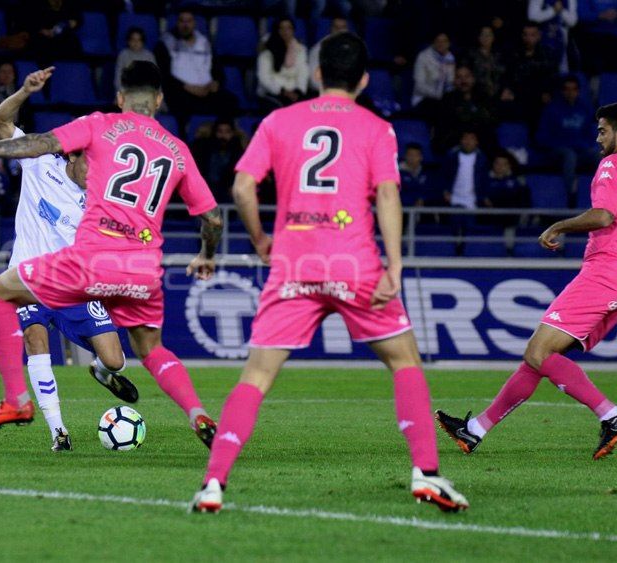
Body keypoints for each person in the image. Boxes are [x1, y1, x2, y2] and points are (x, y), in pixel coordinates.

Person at [190, 32, 468, 514]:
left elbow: (242, 187)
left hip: (294, 264)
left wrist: (259, 239)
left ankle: (213, 484)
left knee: (256, 375)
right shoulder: (377, 128)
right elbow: (387, 194)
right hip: (355, 263)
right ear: (364, 80)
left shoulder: (279, 120)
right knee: (405, 363)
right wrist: (395, 263)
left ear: (317, 74)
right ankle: (426, 473)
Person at [0, 61, 224, 448]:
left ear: (120, 97)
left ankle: (17, 400)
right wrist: (207, 254)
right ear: (159, 99)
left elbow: (39, 141)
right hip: (139, 268)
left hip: (82, 269)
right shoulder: (177, 149)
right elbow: (214, 218)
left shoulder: (100, 127)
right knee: (151, 349)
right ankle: (195, 412)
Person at [436, 102, 617, 460]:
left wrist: (558, 226)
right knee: (539, 359)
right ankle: (474, 430)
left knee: (537, 352)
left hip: (605, 272)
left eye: (602, 131)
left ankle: (610, 415)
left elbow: (603, 216)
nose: (597, 138)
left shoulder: (613, 164)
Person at [0, 67, 138, 451]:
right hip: (26, 278)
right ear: (74, 154)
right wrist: (25, 91)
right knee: (36, 339)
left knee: (114, 359)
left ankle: (101, 372)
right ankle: (58, 431)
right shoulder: (39, 162)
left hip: (72, 285)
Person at [155, 10, 237, 119]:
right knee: (180, 104)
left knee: (230, 101)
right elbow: (164, 74)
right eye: (182, 21)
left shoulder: (205, 43)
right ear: (177, 23)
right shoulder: (166, 43)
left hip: (207, 91)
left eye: (189, 21)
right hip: (182, 91)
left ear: (194, 23)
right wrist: (187, 87)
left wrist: (216, 82)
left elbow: (217, 68)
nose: (185, 25)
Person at [537, 75, 598, 195]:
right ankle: (571, 193)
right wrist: (561, 145)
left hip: (580, 150)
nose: (570, 92)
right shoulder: (551, 109)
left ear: (578, 91)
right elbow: (542, 137)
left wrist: (585, 145)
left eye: (574, 89)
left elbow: (589, 134)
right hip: (557, 152)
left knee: (597, 155)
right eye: (567, 89)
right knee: (569, 155)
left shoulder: (584, 109)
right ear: (562, 91)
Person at [256, 18, 308, 110]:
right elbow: (264, 78)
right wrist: (282, 91)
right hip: (272, 93)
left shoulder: (300, 49)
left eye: (289, 28)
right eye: (281, 28)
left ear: (293, 30)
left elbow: (303, 72)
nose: (285, 31)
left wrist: (299, 91)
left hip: (294, 91)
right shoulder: (267, 51)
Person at [193, 117, 247, 203]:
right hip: (205, 192)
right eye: (220, 131)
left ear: (233, 133)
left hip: (228, 195)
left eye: (227, 132)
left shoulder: (238, 152)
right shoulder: (204, 149)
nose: (223, 136)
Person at [528, 0, 578, 72]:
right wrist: (553, 10)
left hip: (561, 44)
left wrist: (561, 10)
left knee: (561, 73)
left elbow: (572, 22)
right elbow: (532, 16)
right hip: (540, 44)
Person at [411, 32, 455, 112]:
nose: (441, 44)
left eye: (444, 41)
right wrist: (438, 95)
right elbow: (419, 86)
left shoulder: (451, 57)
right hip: (424, 99)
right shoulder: (423, 57)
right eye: (438, 41)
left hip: (446, 99)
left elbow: (451, 82)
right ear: (433, 43)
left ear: (449, 44)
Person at [307, 17, 349, 92]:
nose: (340, 31)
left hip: (347, 93)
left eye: (343, 27)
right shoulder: (317, 49)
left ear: (347, 30)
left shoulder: (353, 49)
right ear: (331, 29)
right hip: (323, 92)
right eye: (336, 27)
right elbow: (314, 80)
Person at [114, 27, 157, 95]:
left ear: (143, 42)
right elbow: (118, 78)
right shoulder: (123, 55)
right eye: (133, 40)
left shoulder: (149, 56)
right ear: (128, 41)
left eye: (139, 40)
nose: (136, 43)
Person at [399, 143, 432, 207]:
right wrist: (412, 202)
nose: (412, 158)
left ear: (421, 157)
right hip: (403, 209)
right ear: (405, 156)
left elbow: (431, 192)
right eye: (410, 155)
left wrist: (422, 199)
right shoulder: (397, 172)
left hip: (424, 210)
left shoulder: (427, 173)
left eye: (416, 155)